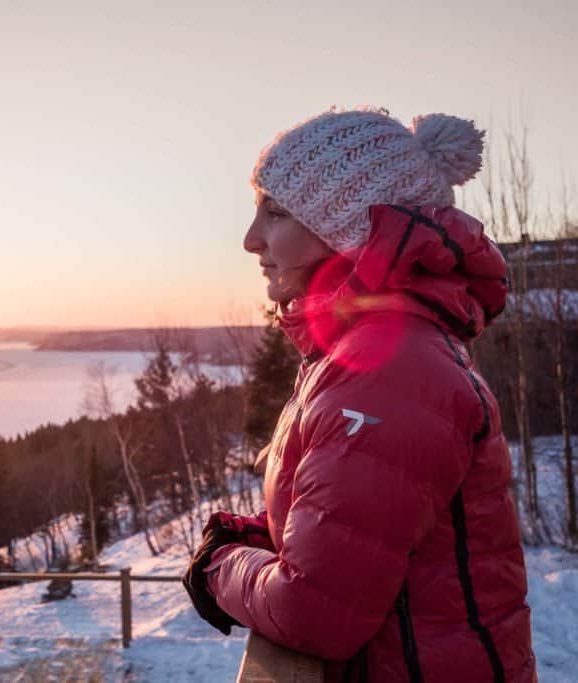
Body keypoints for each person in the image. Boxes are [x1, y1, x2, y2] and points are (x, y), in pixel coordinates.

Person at [183, 108, 535, 682]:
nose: (251, 240)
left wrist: (219, 566)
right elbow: (371, 527)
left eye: (276, 212)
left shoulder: (388, 370)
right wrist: (261, 535)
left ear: (346, 231)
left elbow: (314, 613)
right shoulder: (366, 351)